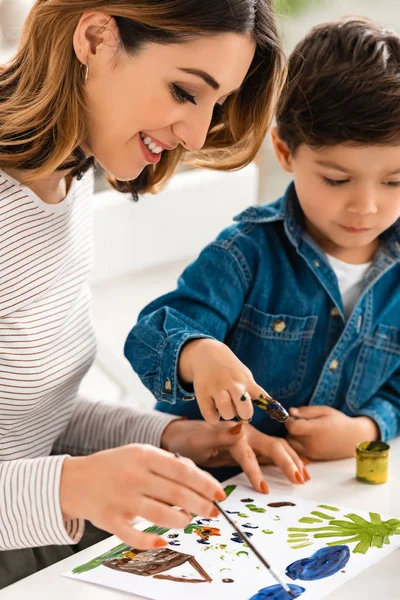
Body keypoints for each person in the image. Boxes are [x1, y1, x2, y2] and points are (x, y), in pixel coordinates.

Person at [0, 0, 289, 589]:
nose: (197, 133)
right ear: (97, 37)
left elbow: (26, 423)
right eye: (186, 92)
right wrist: (69, 486)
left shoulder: (63, 177)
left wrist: (167, 438)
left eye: (218, 104)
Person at [126, 17, 400, 469]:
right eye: (336, 179)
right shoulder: (245, 254)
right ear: (286, 151)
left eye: (394, 181)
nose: (366, 207)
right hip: (211, 492)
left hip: (323, 497)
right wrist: (201, 352)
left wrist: (366, 429)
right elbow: (149, 335)